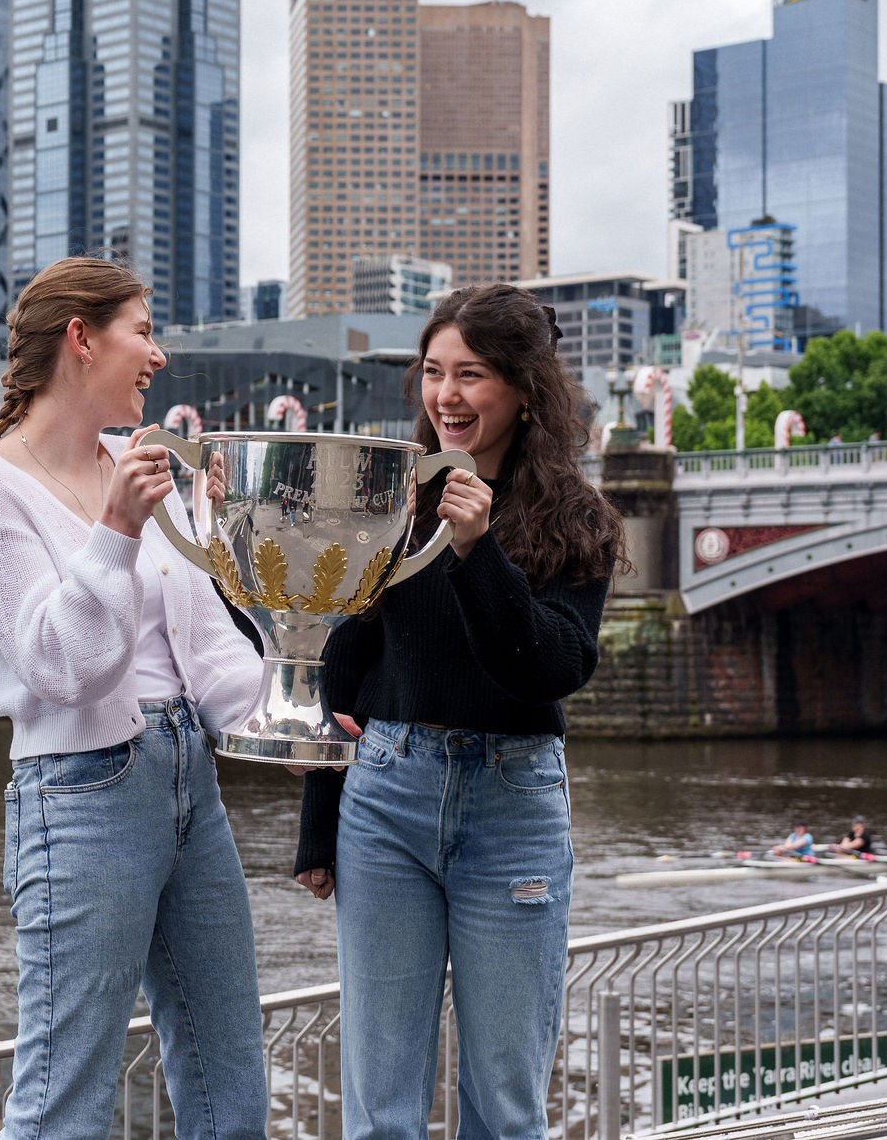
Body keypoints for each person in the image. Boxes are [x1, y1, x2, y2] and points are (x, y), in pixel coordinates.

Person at [0, 257, 269, 1140]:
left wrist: (281, 722)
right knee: (65, 1101)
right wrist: (117, 528)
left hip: (190, 779)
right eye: (143, 331)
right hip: (81, 791)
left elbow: (205, 640)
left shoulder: (134, 461)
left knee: (231, 1082)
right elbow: (62, 664)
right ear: (81, 338)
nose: (159, 355)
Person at [292, 284, 624, 1140]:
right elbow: (346, 664)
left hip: (512, 806)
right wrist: (318, 824)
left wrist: (479, 551)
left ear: (522, 387)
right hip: (387, 797)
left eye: (470, 374)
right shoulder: (394, 495)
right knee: (380, 1111)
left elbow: (553, 667)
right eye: (434, 371)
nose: (447, 394)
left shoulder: (576, 517)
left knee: (506, 1109)